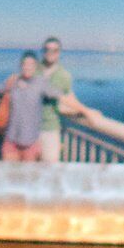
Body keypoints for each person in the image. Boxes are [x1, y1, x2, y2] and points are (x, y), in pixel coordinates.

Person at [35, 32, 78, 164]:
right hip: (29, 130)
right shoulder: (33, 70)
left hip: (51, 130)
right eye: (47, 49)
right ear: (43, 51)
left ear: (59, 52)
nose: (50, 53)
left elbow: (70, 100)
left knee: (50, 170)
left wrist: (88, 112)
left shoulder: (64, 76)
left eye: (55, 50)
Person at [0, 51, 46, 164]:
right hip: (11, 140)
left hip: (31, 143)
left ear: (36, 66)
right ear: (20, 66)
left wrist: (84, 110)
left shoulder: (41, 83)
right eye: (25, 64)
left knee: (28, 179)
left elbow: (61, 96)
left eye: (31, 64)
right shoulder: (12, 81)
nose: (27, 67)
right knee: (9, 176)